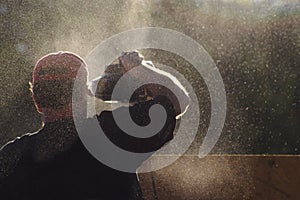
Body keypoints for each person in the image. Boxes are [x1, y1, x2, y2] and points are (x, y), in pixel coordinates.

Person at [0, 51, 178, 200]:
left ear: (37, 101)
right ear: (83, 95)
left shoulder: (10, 157)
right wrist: (138, 69)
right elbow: (176, 101)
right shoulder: (113, 133)